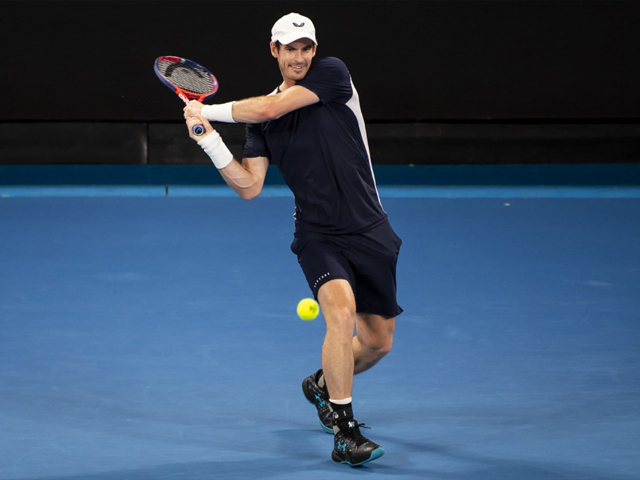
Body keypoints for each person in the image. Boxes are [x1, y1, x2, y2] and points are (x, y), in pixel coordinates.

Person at [183, 12, 402, 467]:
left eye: (306, 48)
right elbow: (249, 187)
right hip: (318, 234)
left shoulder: (332, 74)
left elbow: (268, 107)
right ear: (274, 50)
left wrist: (207, 110)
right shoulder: (259, 123)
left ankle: (321, 385)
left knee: (378, 343)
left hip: (370, 229)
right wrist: (207, 138)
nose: (299, 56)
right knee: (339, 316)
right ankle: (345, 432)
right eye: (290, 48)